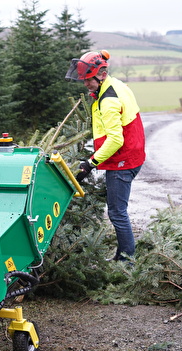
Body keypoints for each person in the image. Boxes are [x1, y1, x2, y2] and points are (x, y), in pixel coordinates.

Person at [66, 50, 145, 261]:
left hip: (122, 160)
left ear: (100, 74)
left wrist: (90, 163)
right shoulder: (116, 85)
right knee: (117, 211)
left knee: (117, 213)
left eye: (87, 80)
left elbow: (115, 140)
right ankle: (122, 255)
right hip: (130, 154)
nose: (85, 84)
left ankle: (127, 260)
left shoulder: (108, 100)